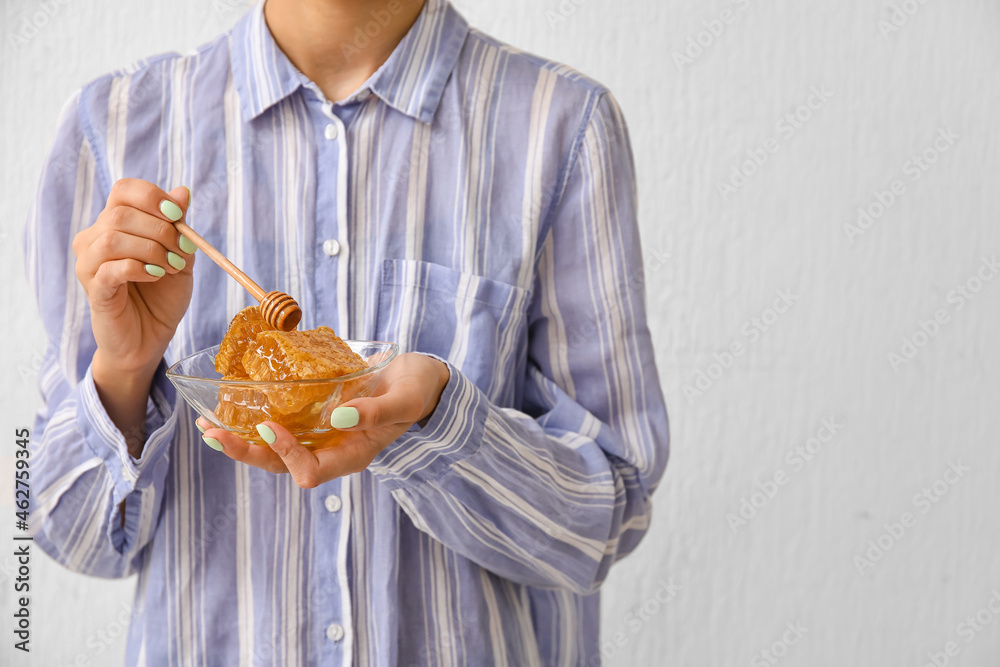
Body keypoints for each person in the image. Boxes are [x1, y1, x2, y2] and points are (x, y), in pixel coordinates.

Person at [25, 0, 670, 663]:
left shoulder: (559, 125)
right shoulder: (113, 126)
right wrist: (124, 368)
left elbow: (603, 520)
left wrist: (441, 424)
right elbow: (68, 532)